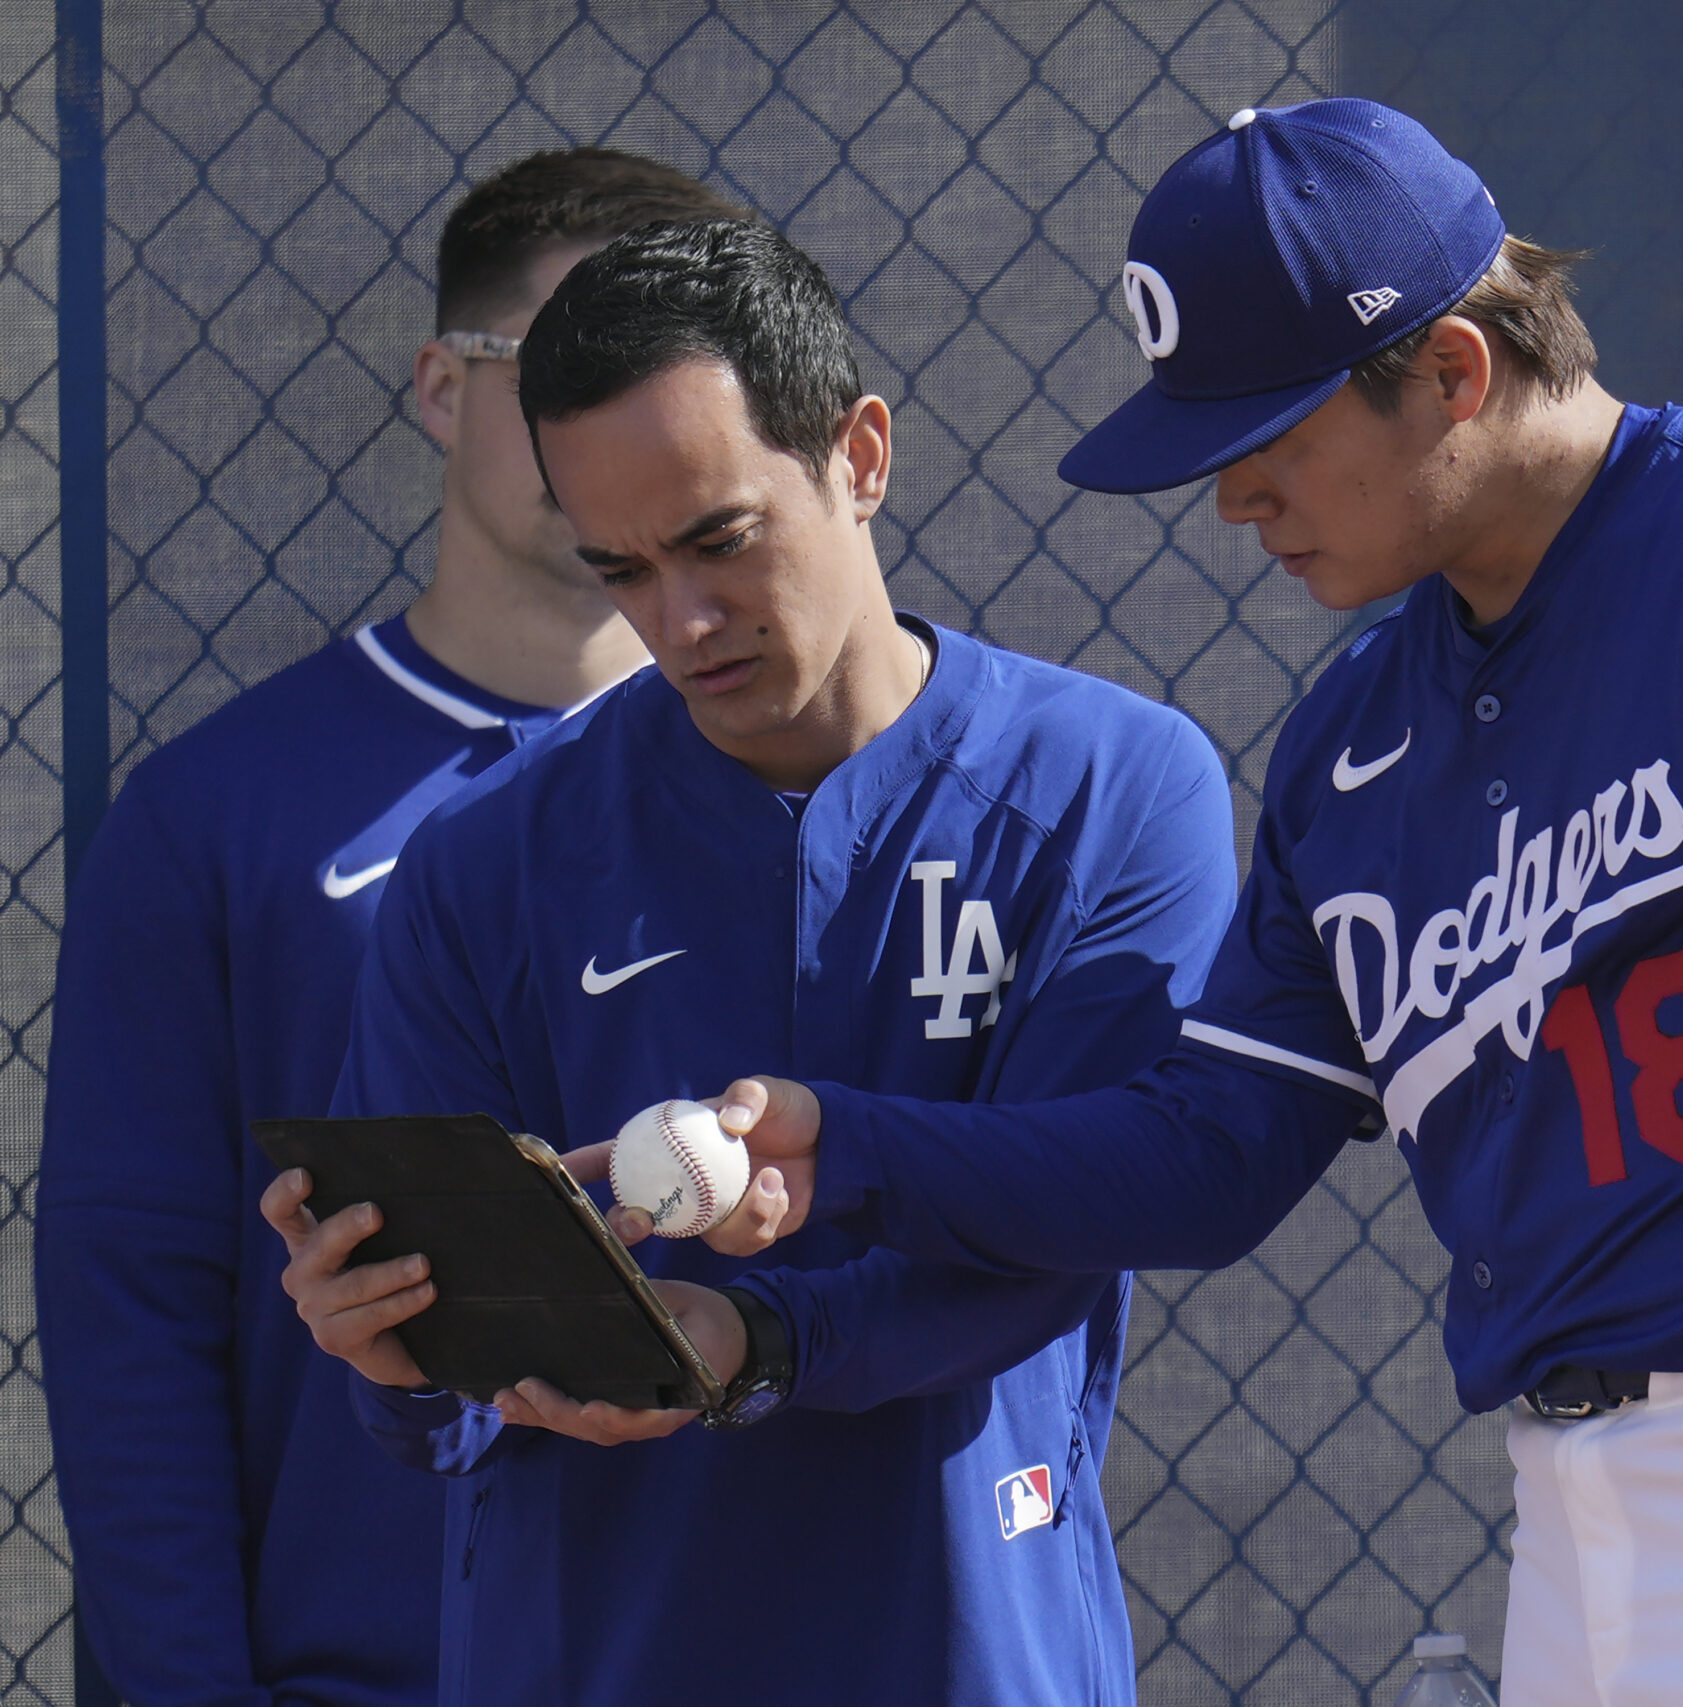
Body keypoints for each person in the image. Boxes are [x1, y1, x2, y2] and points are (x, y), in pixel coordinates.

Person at [612, 99, 1683, 1704]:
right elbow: (1208, 1157)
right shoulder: (1351, 743)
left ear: (1453, 370)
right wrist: (852, 1145)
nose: (1233, 500)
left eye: (1269, 437)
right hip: (1571, 1513)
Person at [262, 217, 1236, 1707]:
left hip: (967, 1645)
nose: (682, 619)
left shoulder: (1114, 783)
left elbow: (1078, 1217)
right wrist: (395, 1348)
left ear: (859, 453)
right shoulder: (487, 864)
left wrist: (762, 1338)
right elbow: (440, 1410)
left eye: (719, 540)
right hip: (595, 1655)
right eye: (624, 570)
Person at [36, 148, 741, 1707]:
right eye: (559, 362)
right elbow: (130, 1313)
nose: (603, 423)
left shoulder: (816, 796)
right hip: (372, 1667)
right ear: (442, 388)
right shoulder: (219, 812)